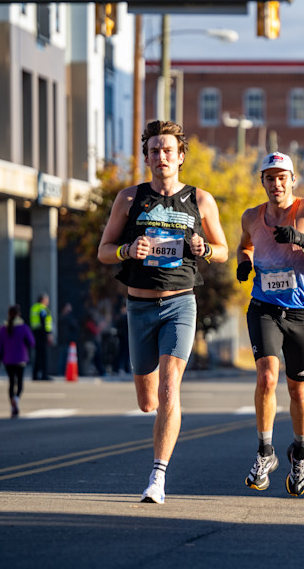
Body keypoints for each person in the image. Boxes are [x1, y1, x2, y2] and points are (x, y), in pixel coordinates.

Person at [96, 119, 229, 505]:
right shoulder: (128, 198)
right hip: (138, 305)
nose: (161, 156)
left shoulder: (200, 200)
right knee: (148, 401)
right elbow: (104, 250)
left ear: (181, 155)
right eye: (154, 150)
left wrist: (205, 248)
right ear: (147, 157)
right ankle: (155, 436)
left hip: (180, 304)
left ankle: (158, 476)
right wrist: (126, 250)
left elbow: (222, 249)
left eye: (168, 150)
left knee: (171, 386)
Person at [237, 151, 304, 497]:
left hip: (302, 313)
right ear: (263, 182)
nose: (276, 183)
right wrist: (244, 262)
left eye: (282, 177)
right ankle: (265, 452)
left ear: (293, 180)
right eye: (270, 177)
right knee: (267, 377)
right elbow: (245, 246)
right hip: (264, 306)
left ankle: (298, 454)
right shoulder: (252, 216)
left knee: (298, 388)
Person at [0, 304, 35, 418]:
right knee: (20, 382)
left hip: (7, 360)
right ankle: (16, 399)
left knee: (12, 382)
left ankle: (12, 404)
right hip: (21, 359)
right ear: (19, 314)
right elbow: (32, 342)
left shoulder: (3, 328)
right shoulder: (23, 327)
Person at [29, 293, 54, 380]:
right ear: (43, 300)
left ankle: (35, 375)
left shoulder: (34, 308)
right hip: (42, 334)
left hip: (35, 333)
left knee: (38, 356)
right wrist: (48, 334)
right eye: (47, 300)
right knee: (43, 356)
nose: (48, 302)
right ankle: (44, 375)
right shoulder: (42, 309)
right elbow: (44, 322)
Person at [56, 302, 80, 376]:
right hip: (65, 340)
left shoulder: (63, 317)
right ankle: (61, 372)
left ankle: (62, 372)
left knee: (64, 357)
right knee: (64, 357)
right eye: (68, 307)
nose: (70, 309)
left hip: (65, 340)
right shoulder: (66, 318)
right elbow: (74, 325)